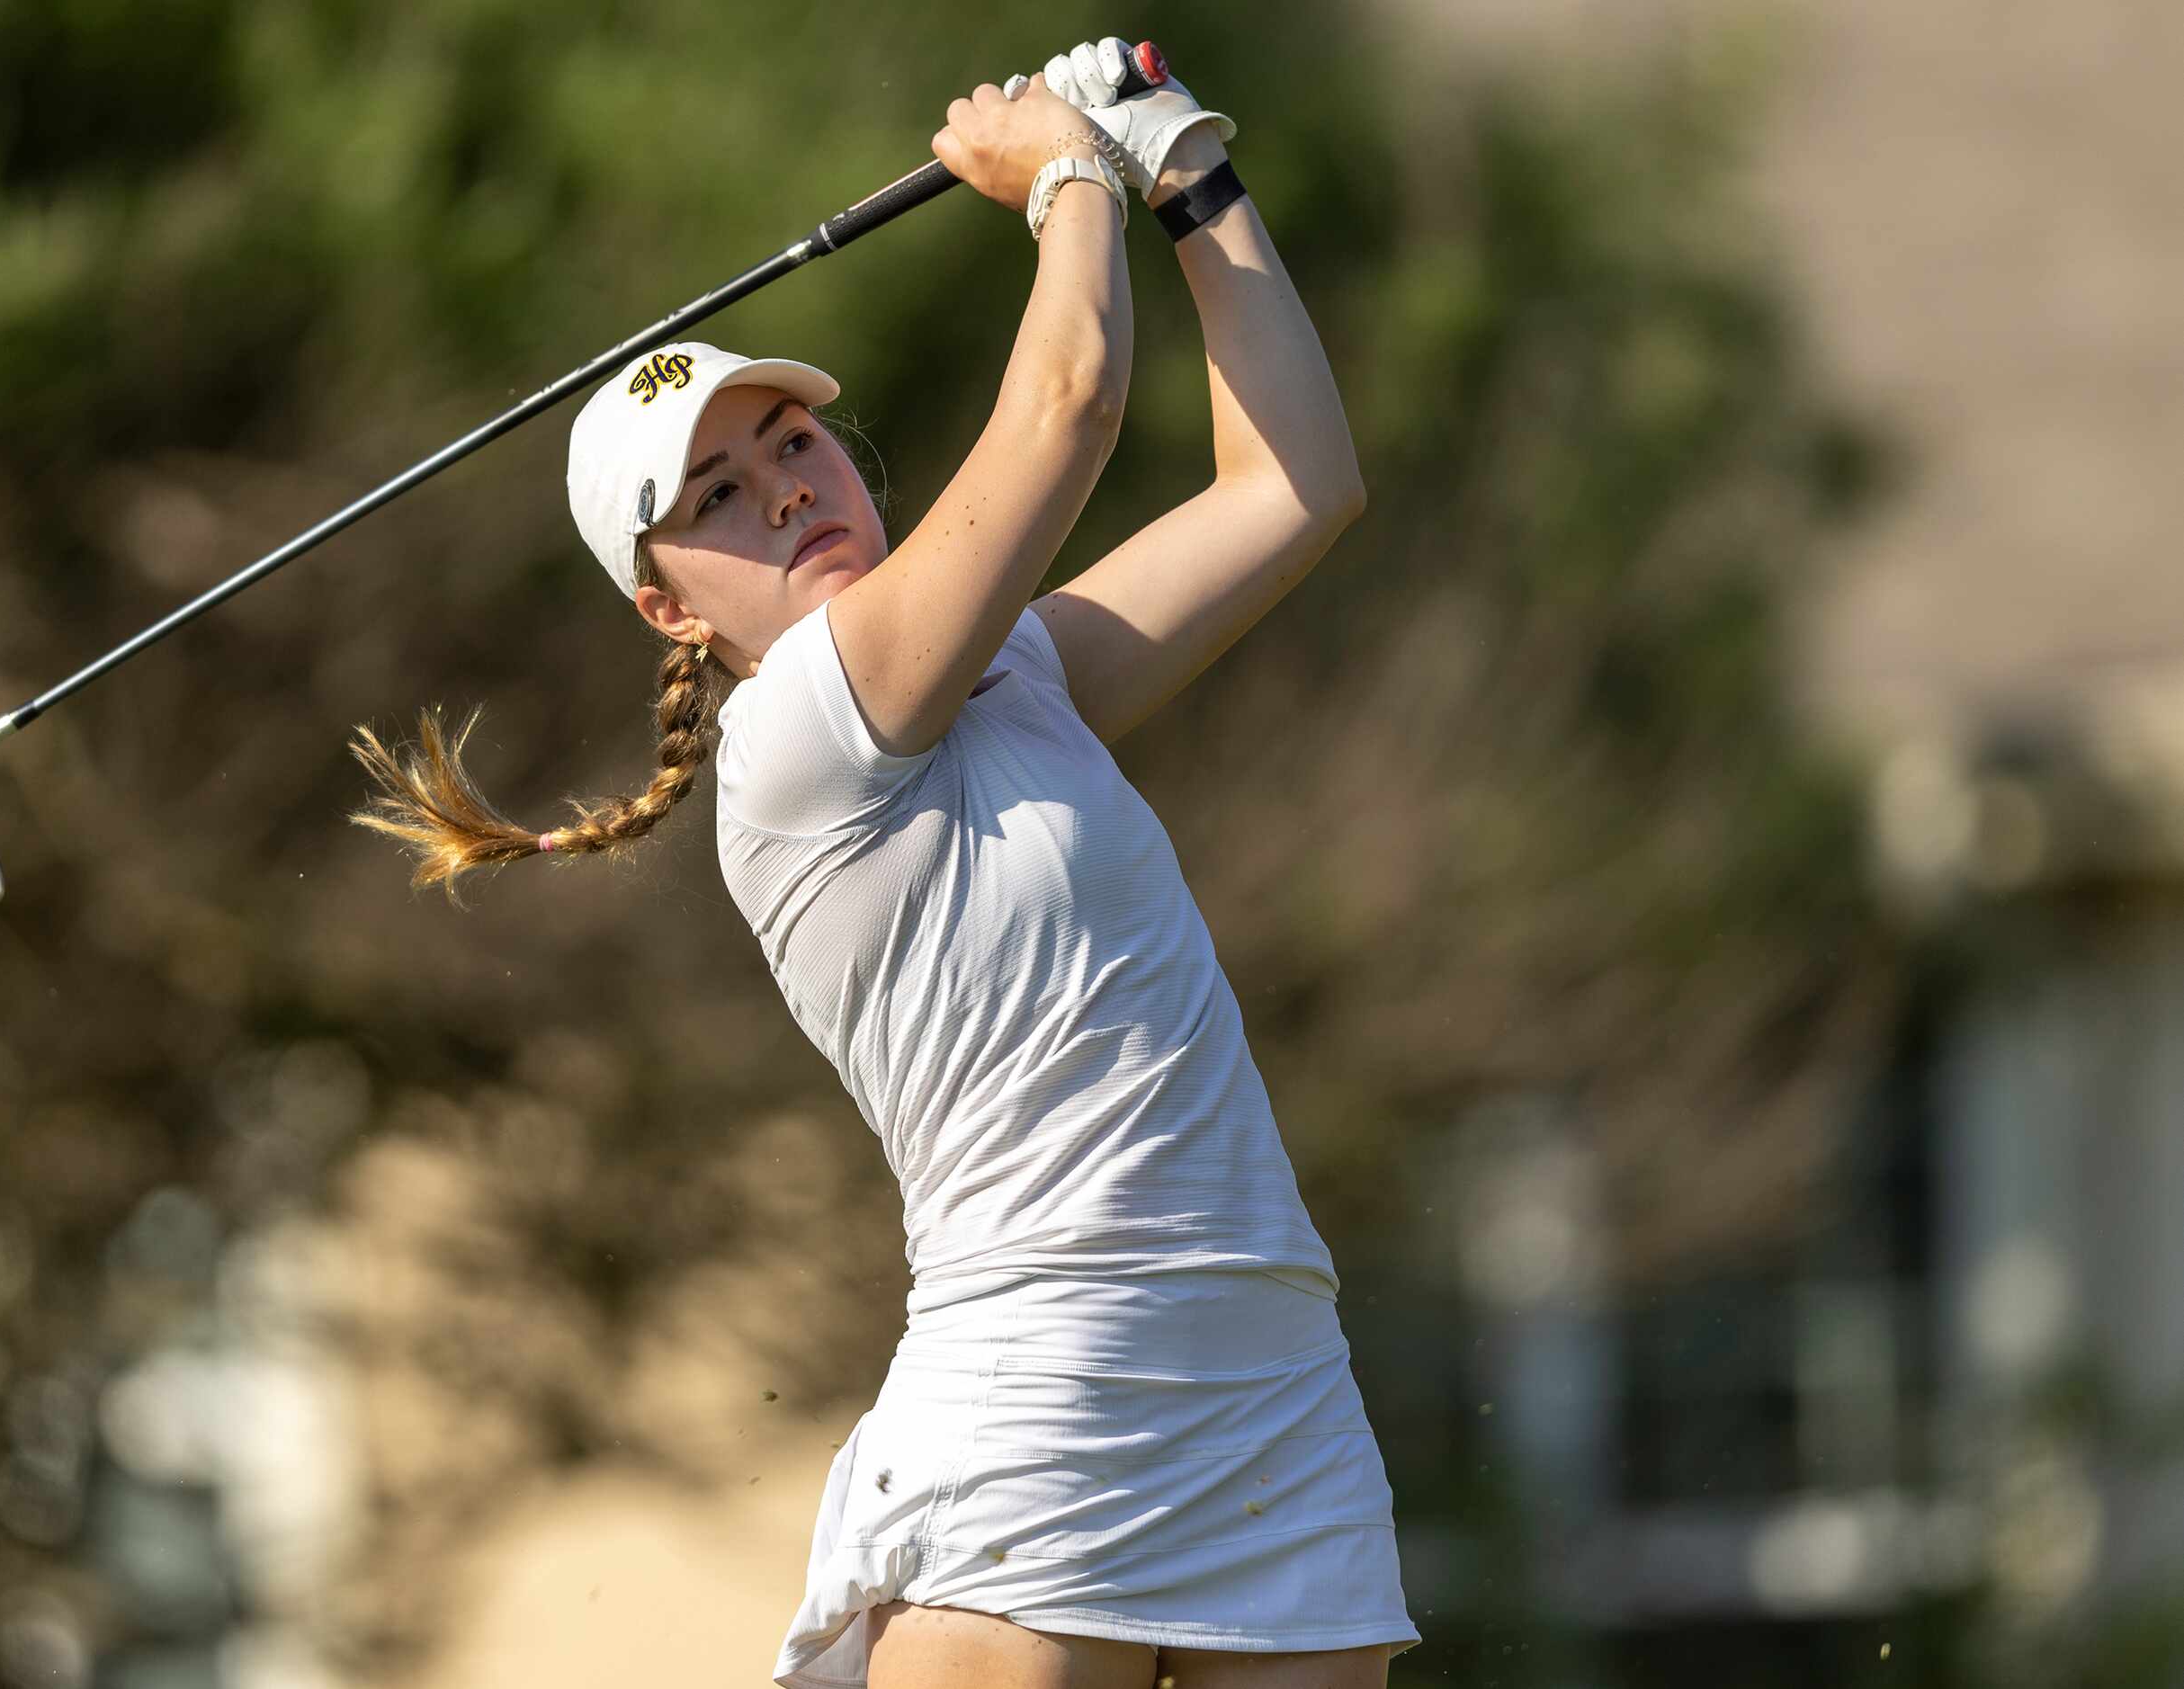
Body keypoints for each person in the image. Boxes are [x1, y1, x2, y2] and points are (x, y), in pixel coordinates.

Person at [350, 37, 1416, 1689]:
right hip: (1045, 1388)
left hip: (1267, 1371)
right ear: (669, 607)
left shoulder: (1027, 677)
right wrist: (1063, 177)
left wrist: (1186, 176)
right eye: (717, 492)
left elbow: (1297, 485)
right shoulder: (795, 747)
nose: (784, 490)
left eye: (790, 444)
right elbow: (1067, 403)